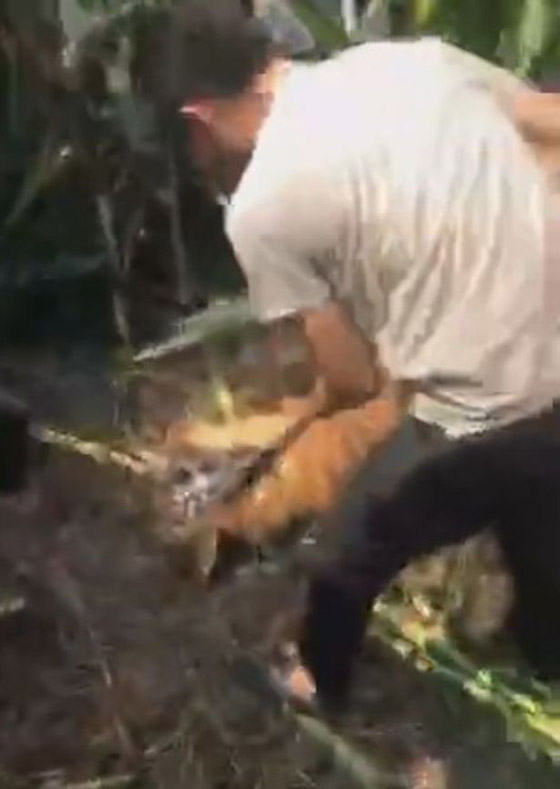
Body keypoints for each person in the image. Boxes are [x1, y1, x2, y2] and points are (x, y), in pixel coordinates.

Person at [139, 0, 560, 710]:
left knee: (345, 554)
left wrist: (308, 410)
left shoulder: (263, 206)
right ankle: (548, 650)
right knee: (540, 505)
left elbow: (354, 378)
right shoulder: (411, 62)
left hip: (496, 399)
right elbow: (546, 121)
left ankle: (314, 680)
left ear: (197, 120)